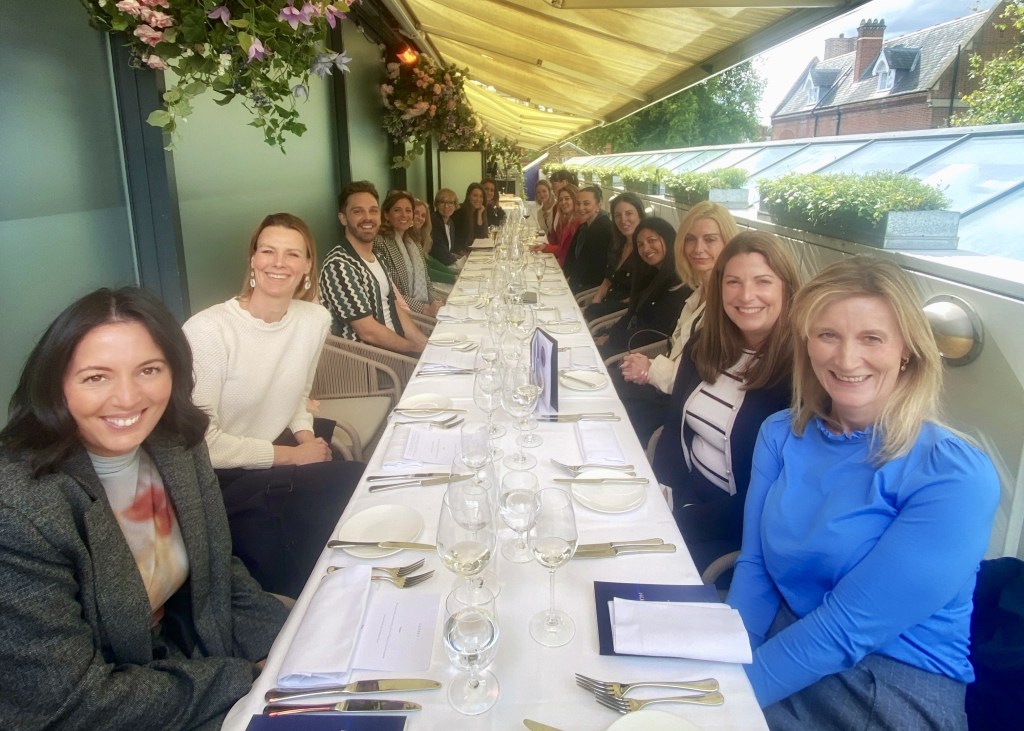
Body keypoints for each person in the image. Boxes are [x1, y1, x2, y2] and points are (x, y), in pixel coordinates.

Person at [728, 256, 999, 729]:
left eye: (872, 338)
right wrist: (722, 657)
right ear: (807, 343)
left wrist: (724, 699)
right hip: (784, 643)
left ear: (906, 351)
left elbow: (847, 628)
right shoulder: (780, 433)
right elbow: (754, 567)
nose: (847, 359)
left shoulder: (953, 476)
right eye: (828, 335)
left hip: (883, 686)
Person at [0, 287, 288, 729]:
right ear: (55, 384)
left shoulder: (175, 444)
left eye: (148, 370)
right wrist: (245, 678)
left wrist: (291, 650)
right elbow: (69, 703)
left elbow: (218, 570)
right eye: (97, 377)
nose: (128, 398)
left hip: (191, 659)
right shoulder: (20, 510)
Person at [183, 213, 363, 597]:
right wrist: (293, 457)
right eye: (268, 251)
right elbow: (203, 444)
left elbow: (298, 393)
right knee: (344, 499)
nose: (279, 263)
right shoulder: (208, 331)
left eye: (292, 254)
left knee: (360, 488)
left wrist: (304, 438)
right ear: (253, 259)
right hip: (222, 479)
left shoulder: (314, 319)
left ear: (307, 266)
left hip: (277, 449)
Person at [652, 231, 800, 575]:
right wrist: (662, 490)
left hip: (733, 533)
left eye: (763, 281)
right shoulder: (703, 346)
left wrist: (678, 517)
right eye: (733, 282)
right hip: (685, 500)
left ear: (787, 288)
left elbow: (768, 500)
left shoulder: (800, 374)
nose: (746, 295)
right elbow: (676, 428)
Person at [616, 202, 739, 444]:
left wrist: (650, 368)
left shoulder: (728, 305)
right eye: (691, 239)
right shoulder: (697, 293)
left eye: (710, 239)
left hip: (682, 409)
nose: (698, 248)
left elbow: (699, 378)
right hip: (665, 391)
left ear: (728, 243)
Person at [320, 181, 428, 355]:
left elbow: (395, 308)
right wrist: (414, 349)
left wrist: (425, 344)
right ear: (343, 218)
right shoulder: (339, 265)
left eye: (373, 210)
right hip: (373, 366)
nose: (367, 218)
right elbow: (368, 332)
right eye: (358, 211)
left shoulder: (378, 257)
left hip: (398, 353)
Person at [595, 217, 690, 359]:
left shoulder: (679, 282)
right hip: (626, 343)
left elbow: (656, 332)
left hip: (642, 354)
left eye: (651, 240)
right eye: (640, 244)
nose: (646, 248)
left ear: (668, 239)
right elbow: (632, 313)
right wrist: (610, 335)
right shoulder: (649, 274)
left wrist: (613, 339)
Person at [373, 191, 445, 317]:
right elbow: (390, 292)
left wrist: (437, 302)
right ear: (386, 215)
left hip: (425, 309)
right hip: (402, 314)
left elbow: (426, 281)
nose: (404, 215)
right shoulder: (379, 243)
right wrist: (425, 309)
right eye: (397, 210)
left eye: (408, 210)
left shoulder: (414, 241)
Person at [585, 192, 651, 320]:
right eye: (617, 216)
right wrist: (595, 303)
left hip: (616, 317)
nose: (623, 220)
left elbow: (631, 301)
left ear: (640, 215)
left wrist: (595, 312)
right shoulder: (617, 245)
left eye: (629, 213)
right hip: (602, 311)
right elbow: (607, 281)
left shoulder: (646, 252)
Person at [564, 185, 614, 293]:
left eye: (586, 203)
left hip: (588, 292)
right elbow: (571, 258)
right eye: (578, 204)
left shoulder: (604, 229)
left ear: (598, 205)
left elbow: (593, 270)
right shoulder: (585, 226)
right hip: (577, 285)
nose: (581, 208)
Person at [413, 197, 457, 287]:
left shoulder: (420, 235)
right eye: (416, 213)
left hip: (427, 280)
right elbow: (426, 271)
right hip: (421, 285)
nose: (420, 218)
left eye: (423, 215)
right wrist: (453, 278)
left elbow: (429, 260)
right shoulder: (408, 239)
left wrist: (454, 274)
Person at [542, 183, 581, 266]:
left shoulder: (578, 223)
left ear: (575, 199)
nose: (563, 202)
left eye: (567, 199)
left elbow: (565, 251)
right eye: (560, 200)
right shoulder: (564, 220)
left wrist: (545, 247)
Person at [453, 182, 489, 252]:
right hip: (460, 253)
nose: (478, 199)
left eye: (481, 196)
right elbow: (456, 240)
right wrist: (463, 254)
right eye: (475, 195)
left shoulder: (476, 212)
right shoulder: (460, 211)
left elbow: (481, 237)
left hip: (471, 251)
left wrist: (479, 214)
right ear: (469, 196)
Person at [430, 187, 463, 262]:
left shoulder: (450, 222)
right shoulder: (433, 221)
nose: (446, 206)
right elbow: (440, 254)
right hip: (438, 266)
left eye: (450, 203)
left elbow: (450, 251)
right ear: (437, 204)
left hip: (446, 263)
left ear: (455, 205)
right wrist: (458, 261)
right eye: (442, 202)